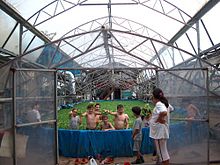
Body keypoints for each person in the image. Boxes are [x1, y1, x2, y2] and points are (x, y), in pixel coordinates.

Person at [149, 88, 170, 165]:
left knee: (162, 154)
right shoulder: (165, 103)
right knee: (163, 152)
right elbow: (171, 109)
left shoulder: (159, 104)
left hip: (159, 133)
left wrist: (159, 119)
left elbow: (164, 112)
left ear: (154, 97)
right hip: (161, 132)